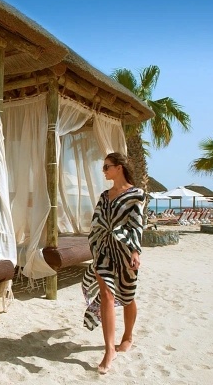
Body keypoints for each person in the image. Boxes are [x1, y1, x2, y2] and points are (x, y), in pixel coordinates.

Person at [81, 152, 144, 374]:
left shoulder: (136, 194)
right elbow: (96, 221)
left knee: (127, 296)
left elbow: (137, 224)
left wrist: (135, 251)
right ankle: (109, 349)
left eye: (107, 166)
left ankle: (128, 336)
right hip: (103, 250)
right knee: (107, 294)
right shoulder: (104, 195)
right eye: (104, 167)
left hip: (125, 250)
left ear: (119, 167)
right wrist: (95, 244)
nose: (104, 170)